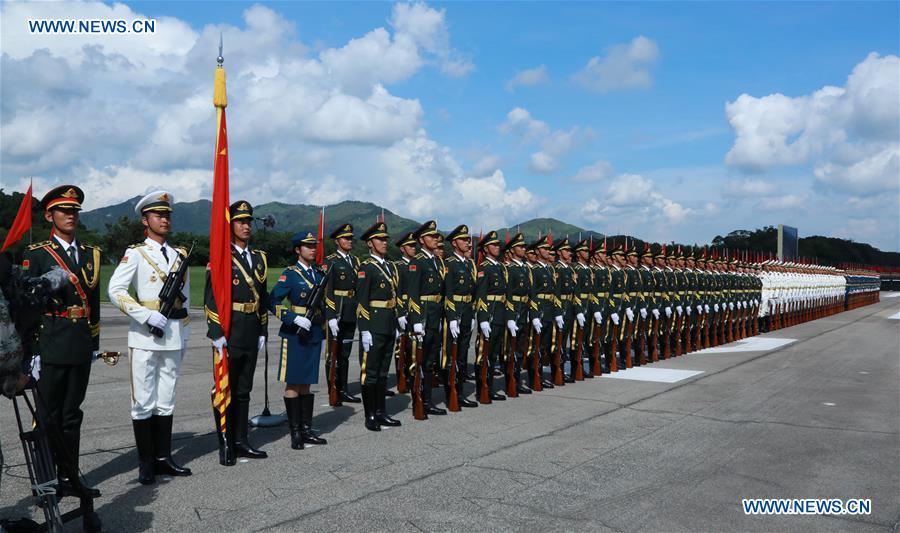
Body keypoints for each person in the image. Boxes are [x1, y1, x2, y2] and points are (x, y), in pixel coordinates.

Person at [22, 185, 102, 497]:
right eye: (64, 210)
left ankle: (69, 477)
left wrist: (93, 344)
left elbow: (92, 305)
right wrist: (31, 351)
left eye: (74, 211)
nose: (70, 215)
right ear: (50, 215)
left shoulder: (92, 255)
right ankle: (46, 483)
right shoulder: (37, 255)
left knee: (72, 416)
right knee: (47, 416)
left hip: (80, 344)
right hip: (50, 344)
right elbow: (27, 307)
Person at [108, 191, 191, 485]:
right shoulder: (136, 253)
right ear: (145, 220)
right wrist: (144, 315)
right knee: (143, 402)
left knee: (166, 399)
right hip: (145, 335)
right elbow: (115, 291)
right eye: (159, 215)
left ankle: (163, 458)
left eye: (167, 215)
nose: (165, 219)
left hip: (173, 335)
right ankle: (146, 463)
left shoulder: (180, 254)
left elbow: (185, 303)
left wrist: (185, 335)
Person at [203, 200, 269, 465]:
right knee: (224, 389)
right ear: (230, 226)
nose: (246, 226)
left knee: (244, 390)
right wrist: (216, 330)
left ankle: (242, 440)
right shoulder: (221, 257)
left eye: (249, 221)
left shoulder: (260, 258)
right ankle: (226, 442)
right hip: (229, 330)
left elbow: (262, 297)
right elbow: (210, 298)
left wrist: (263, 328)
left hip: (251, 330)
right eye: (240, 221)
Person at [268, 231, 329, 449]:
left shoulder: (319, 275)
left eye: (314, 245)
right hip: (295, 333)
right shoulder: (290, 274)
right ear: (297, 250)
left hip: (313, 331)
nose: (313, 249)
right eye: (307, 246)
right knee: (294, 381)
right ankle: (295, 432)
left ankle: (306, 429)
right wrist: (293, 318)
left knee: (307, 382)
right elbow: (273, 300)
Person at [354, 222, 403, 430]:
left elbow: (396, 296)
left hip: (389, 323)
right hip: (373, 325)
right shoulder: (366, 267)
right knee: (371, 372)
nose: (384, 242)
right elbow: (361, 301)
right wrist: (364, 328)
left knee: (383, 370)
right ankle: (370, 415)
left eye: (385, 239)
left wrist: (399, 318)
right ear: (369, 243)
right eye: (380, 239)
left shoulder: (391, 266)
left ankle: (382, 412)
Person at [406, 220, 448, 416]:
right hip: (423, 316)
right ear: (422, 240)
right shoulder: (417, 262)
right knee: (420, 360)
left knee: (431, 360)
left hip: (435, 316)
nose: (436, 239)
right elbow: (412, 293)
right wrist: (415, 320)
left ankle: (428, 400)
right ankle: (419, 400)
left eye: (436, 236)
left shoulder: (436, 261)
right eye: (432, 236)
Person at [324, 223, 361, 404]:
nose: (349, 241)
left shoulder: (355, 261)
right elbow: (328, 291)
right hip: (337, 311)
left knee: (345, 353)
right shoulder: (330, 261)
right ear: (338, 241)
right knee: (333, 352)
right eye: (346, 238)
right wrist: (330, 316)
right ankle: (333, 388)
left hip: (350, 310)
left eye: (351, 238)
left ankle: (344, 388)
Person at [442, 225, 478, 408]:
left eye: (468, 240)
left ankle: (460, 391)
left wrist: (471, 313)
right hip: (454, 314)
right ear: (455, 243)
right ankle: (451, 393)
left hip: (466, 312)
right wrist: (452, 317)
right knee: (451, 355)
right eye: (464, 240)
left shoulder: (468, 264)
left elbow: (472, 291)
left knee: (463, 354)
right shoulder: (449, 264)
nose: (468, 242)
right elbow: (448, 293)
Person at [474, 230, 509, 402]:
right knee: (484, 353)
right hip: (490, 314)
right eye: (494, 245)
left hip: (500, 313)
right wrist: (483, 319)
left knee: (494, 353)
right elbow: (480, 296)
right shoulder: (484, 268)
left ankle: (490, 387)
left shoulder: (500, 267)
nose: (497, 247)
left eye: (498, 245)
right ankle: (482, 388)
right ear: (486, 249)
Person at [504, 233, 533, 394]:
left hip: (523, 311)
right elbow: (507, 294)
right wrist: (510, 317)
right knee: (511, 348)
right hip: (514, 312)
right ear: (513, 249)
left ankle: (517, 379)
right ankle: (511, 381)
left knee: (521, 348)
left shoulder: (524, 268)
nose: (523, 249)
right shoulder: (510, 269)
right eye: (520, 247)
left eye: (524, 246)